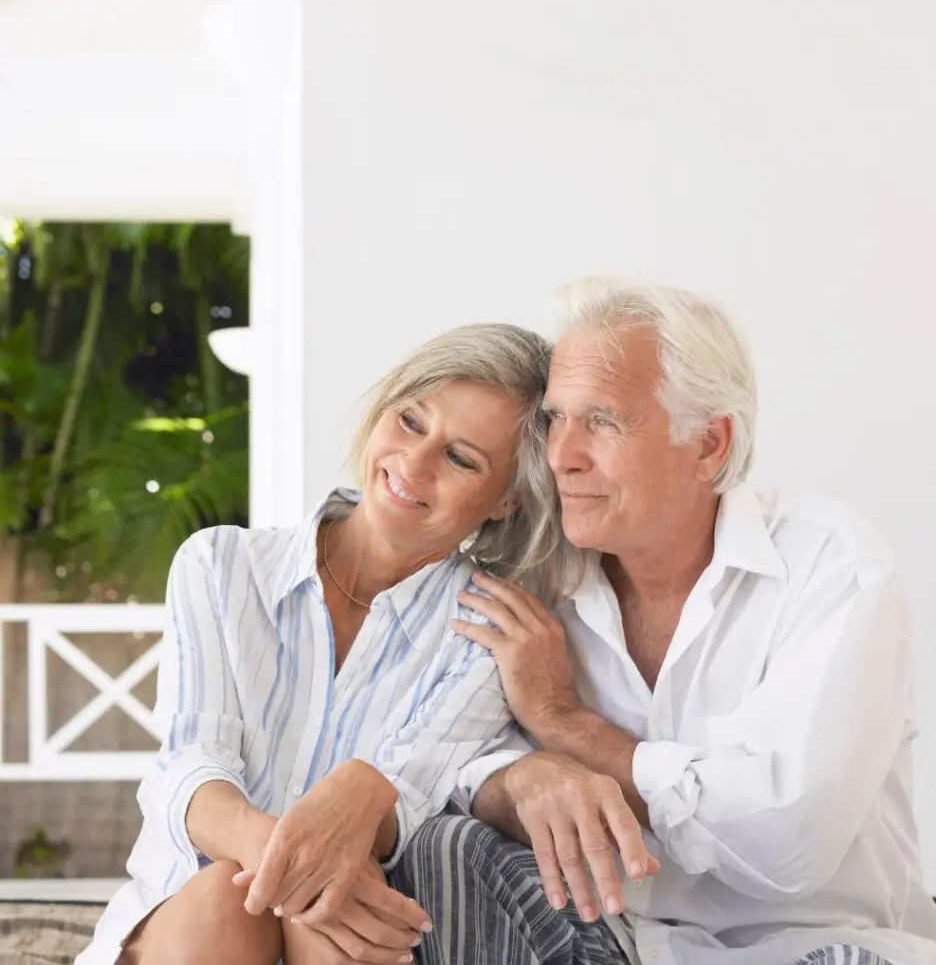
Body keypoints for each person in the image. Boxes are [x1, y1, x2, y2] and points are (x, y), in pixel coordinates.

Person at [392, 279, 936, 965]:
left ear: (710, 445)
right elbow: (427, 752)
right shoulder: (532, 578)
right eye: (554, 419)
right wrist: (516, 776)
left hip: (815, 950)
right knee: (445, 848)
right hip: (612, 949)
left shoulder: (832, 565)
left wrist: (565, 724)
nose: (562, 455)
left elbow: (788, 841)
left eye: (601, 421)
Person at [77, 322, 586, 965]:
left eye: (462, 458)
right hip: (190, 923)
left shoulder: (492, 631)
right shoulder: (220, 564)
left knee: (343, 889)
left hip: (347, 936)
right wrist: (286, 859)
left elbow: (403, 795)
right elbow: (190, 768)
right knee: (238, 900)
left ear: (507, 499)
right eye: (409, 421)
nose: (414, 463)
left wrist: (355, 802)